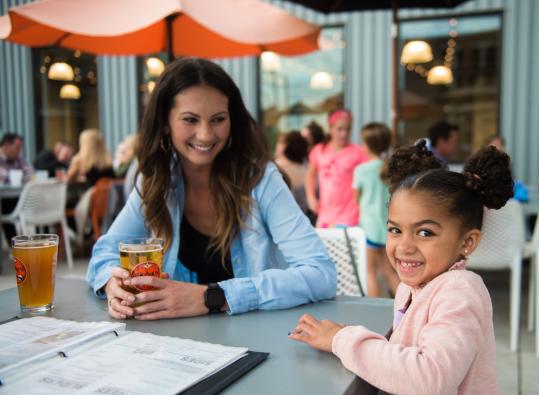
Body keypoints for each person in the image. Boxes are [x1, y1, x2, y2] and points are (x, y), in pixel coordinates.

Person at [87, 57, 336, 320]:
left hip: (257, 340)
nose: (205, 135)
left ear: (232, 121)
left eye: (218, 119)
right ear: (164, 123)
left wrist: (213, 297)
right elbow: (104, 253)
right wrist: (112, 285)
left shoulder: (260, 179)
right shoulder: (156, 180)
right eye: (190, 120)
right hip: (179, 343)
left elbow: (321, 274)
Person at [289, 141, 514, 395]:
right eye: (395, 230)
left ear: (467, 242)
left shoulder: (460, 291)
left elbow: (433, 380)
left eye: (425, 232)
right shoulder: (413, 285)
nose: (404, 246)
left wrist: (342, 339)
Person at [352, 123, 399, 297]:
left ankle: (374, 309)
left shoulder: (361, 170)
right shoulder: (390, 168)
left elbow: (356, 198)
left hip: (369, 230)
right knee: (388, 271)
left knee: (370, 272)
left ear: (368, 145)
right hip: (386, 229)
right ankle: (407, 307)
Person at [305, 109, 367, 228]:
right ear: (330, 128)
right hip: (325, 216)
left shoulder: (358, 152)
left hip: (351, 217)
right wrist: (310, 197)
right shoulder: (319, 150)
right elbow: (310, 175)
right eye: (339, 129)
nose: (344, 133)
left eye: (348, 129)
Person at [275, 130, 310, 214]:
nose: (277, 146)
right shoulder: (308, 167)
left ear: (285, 146)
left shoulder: (277, 168)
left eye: (280, 142)